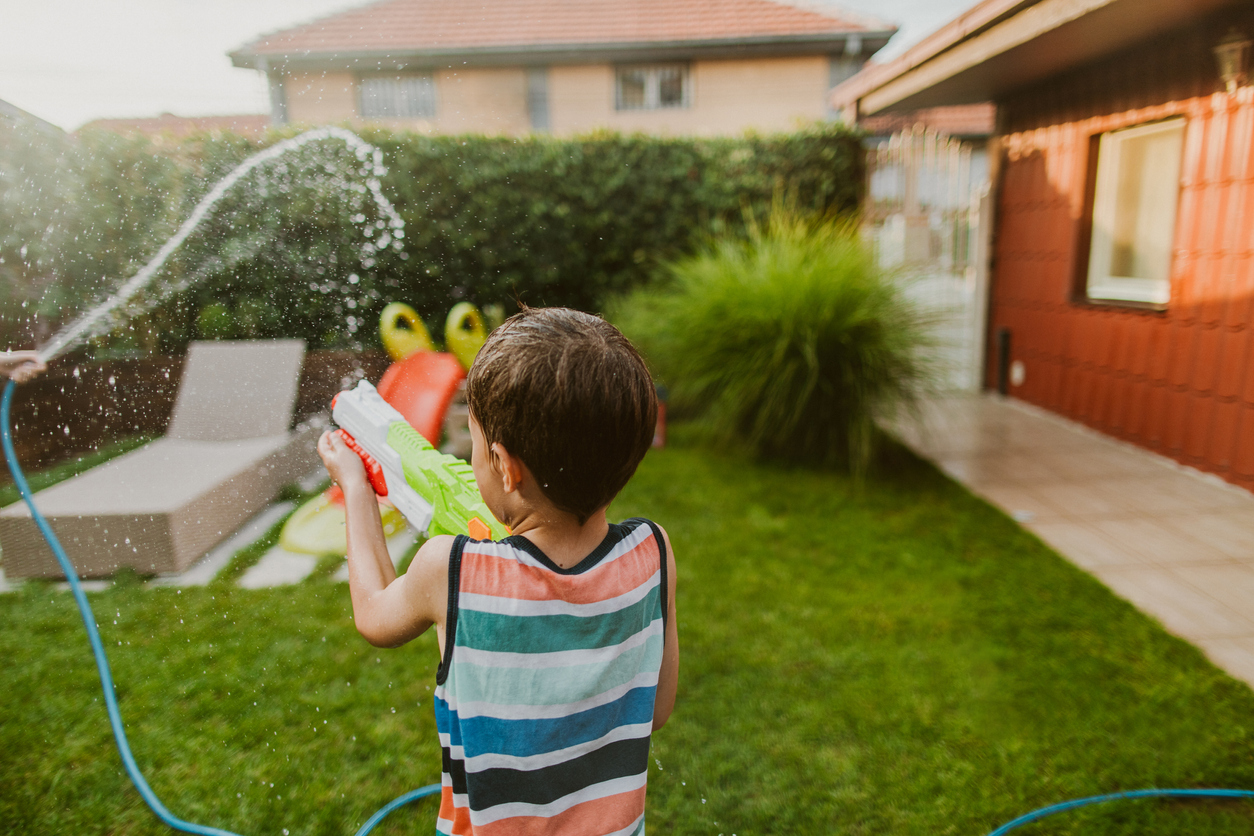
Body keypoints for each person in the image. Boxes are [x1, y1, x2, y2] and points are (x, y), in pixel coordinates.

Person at [318, 306, 678, 836]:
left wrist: (355, 488)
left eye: (475, 448)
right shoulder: (654, 551)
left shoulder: (453, 567)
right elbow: (657, 708)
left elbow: (374, 615)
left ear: (506, 467)